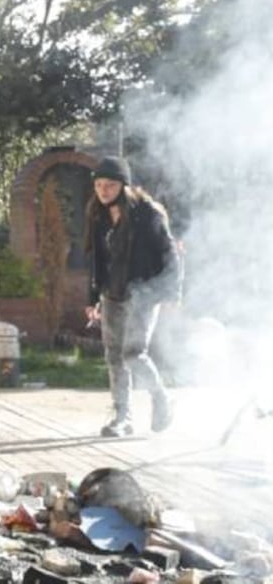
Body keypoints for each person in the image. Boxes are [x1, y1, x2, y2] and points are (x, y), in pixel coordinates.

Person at [84, 156, 182, 437]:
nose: (103, 191)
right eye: (99, 185)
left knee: (133, 353)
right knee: (114, 356)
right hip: (111, 294)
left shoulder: (146, 214)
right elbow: (96, 259)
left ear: (123, 186)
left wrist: (173, 292)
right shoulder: (97, 214)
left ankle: (161, 397)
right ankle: (122, 418)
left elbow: (169, 253)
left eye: (110, 185)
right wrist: (93, 297)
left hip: (144, 293)